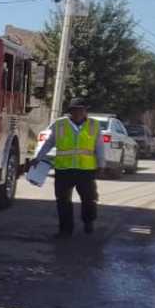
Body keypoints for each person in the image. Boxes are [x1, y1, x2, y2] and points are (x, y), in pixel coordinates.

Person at [28, 98, 106, 237]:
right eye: (76, 110)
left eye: (82, 110)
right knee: (63, 201)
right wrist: (38, 157)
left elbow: (99, 146)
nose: (79, 113)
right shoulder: (60, 124)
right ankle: (65, 229)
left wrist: (101, 165)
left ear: (85, 111)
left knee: (89, 198)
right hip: (64, 170)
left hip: (86, 170)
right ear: (71, 111)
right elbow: (49, 143)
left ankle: (88, 221)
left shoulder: (94, 125)